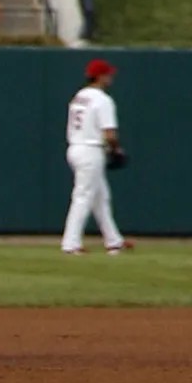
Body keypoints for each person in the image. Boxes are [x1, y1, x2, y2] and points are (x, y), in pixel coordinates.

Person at [60, 58, 130, 255]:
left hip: (75, 147)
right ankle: (70, 244)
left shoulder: (79, 96)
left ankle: (114, 241)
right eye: (108, 74)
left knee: (101, 197)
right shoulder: (102, 99)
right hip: (90, 150)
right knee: (83, 197)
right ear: (100, 76)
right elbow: (109, 133)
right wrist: (116, 150)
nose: (111, 77)